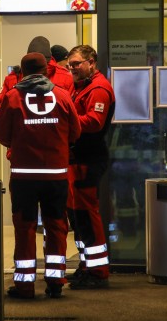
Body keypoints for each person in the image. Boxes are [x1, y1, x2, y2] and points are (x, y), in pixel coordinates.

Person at [0, 52, 81, 299]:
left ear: (22, 71)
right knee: (57, 227)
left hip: (24, 177)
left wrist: (20, 142)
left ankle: (25, 286)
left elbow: (0, 134)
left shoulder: (12, 98)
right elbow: (75, 131)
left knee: (25, 228)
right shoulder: (62, 96)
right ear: (46, 70)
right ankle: (55, 281)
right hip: (56, 175)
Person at [65, 44, 116, 290]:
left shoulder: (98, 89)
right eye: (69, 65)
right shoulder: (80, 88)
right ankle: (87, 265)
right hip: (78, 160)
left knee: (86, 215)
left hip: (89, 159)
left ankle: (97, 271)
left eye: (76, 64)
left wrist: (65, 120)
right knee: (78, 218)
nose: (72, 68)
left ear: (91, 62)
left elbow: (94, 123)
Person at [0, 36, 73, 117]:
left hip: (22, 129)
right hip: (54, 129)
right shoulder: (66, 77)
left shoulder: (13, 78)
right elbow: (72, 114)